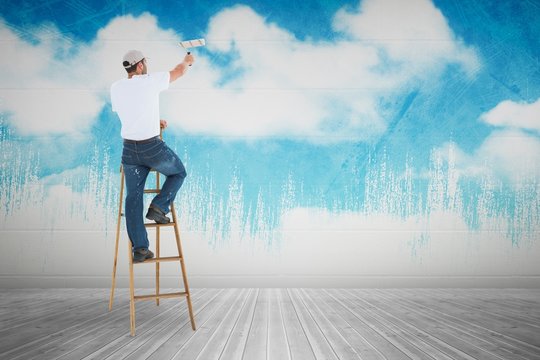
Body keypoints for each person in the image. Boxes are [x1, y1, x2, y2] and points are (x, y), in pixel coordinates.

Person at [110, 49, 194, 263]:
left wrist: (152, 121)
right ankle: (159, 207)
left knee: (133, 199)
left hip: (129, 150)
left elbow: (131, 112)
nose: (146, 65)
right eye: (145, 62)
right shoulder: (150, 81)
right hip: (151, 148)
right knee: (179, 173)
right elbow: (178, 71)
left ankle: (140, 249)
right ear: (139, 66)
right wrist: (187, 61)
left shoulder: (116, 88)